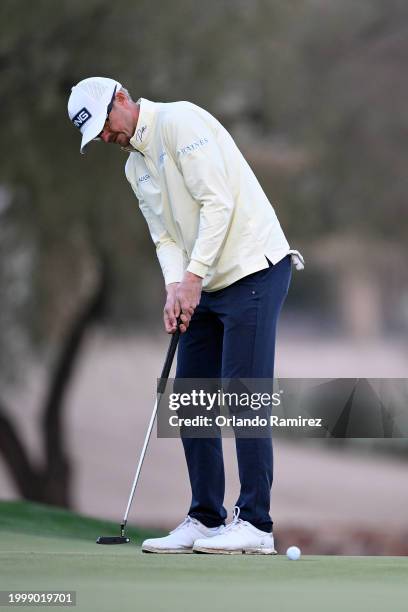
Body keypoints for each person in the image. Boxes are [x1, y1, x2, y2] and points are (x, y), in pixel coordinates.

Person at [68, 77, 304, 555]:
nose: (107, 138)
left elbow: (218, 204)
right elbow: (165, 236)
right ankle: (206, 517)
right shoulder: (135, 168)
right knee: (192, 396)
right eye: (96, 137)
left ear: (120, 99)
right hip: (205, 280)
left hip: (254, 269)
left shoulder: (180, 122)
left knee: (243, 395)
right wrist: (175, 287)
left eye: (105, 125)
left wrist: (193, 278)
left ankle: (256, 523)